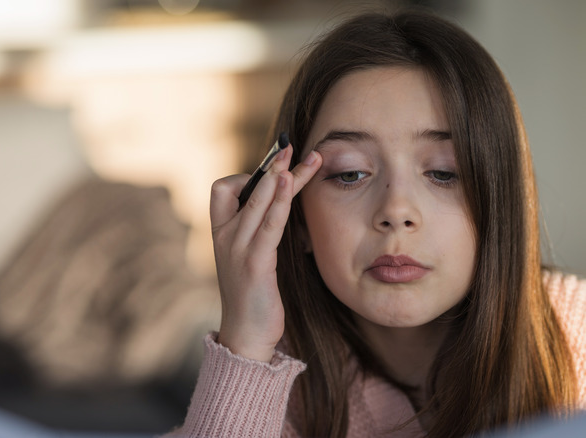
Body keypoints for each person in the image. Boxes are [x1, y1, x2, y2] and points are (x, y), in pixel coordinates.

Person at [167, 9, 586, 438]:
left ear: (501, 200)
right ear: (295, 218)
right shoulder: (263, 385)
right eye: (350, 173)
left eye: (444, 172)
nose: (396, 210)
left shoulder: (579, 342)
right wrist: (246, 344)